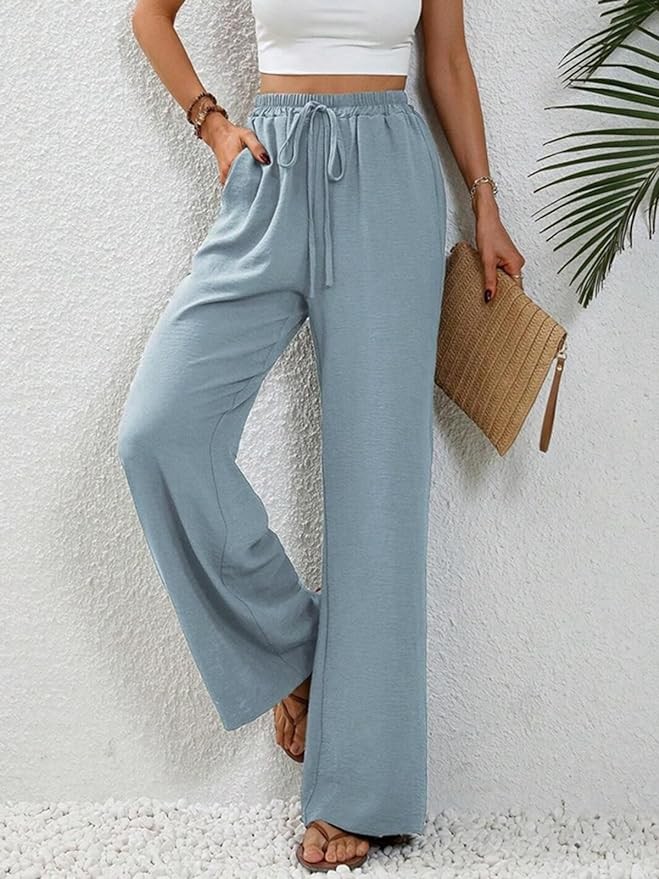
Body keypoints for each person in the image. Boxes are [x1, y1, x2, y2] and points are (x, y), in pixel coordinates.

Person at [118, 0, 525, 871]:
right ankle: (291, 650)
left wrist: (484, 205)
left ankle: (360, 792)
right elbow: (150, 17)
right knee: (159, 431)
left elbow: (446, 61)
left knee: (378, 491)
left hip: (388, 176)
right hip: (270, 166)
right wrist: (212, 124)